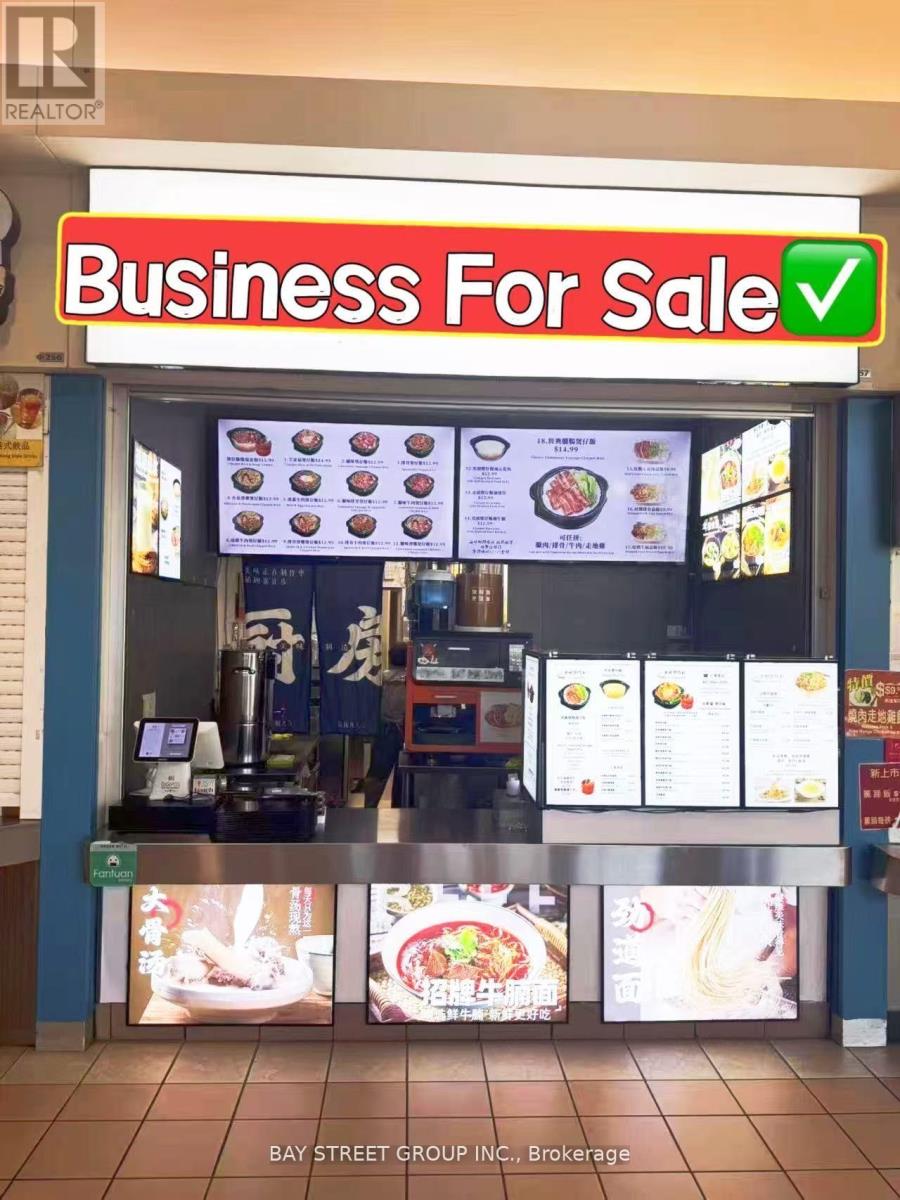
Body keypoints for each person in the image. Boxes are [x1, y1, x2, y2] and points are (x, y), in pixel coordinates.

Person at [362, 643, 408, 808]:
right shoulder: (412, 680)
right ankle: (399, 809)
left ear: (389, 658)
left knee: (377, 773)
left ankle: (369, 808)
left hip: (384, 730)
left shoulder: (381, 678)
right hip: (406, 731)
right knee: (403, 774)